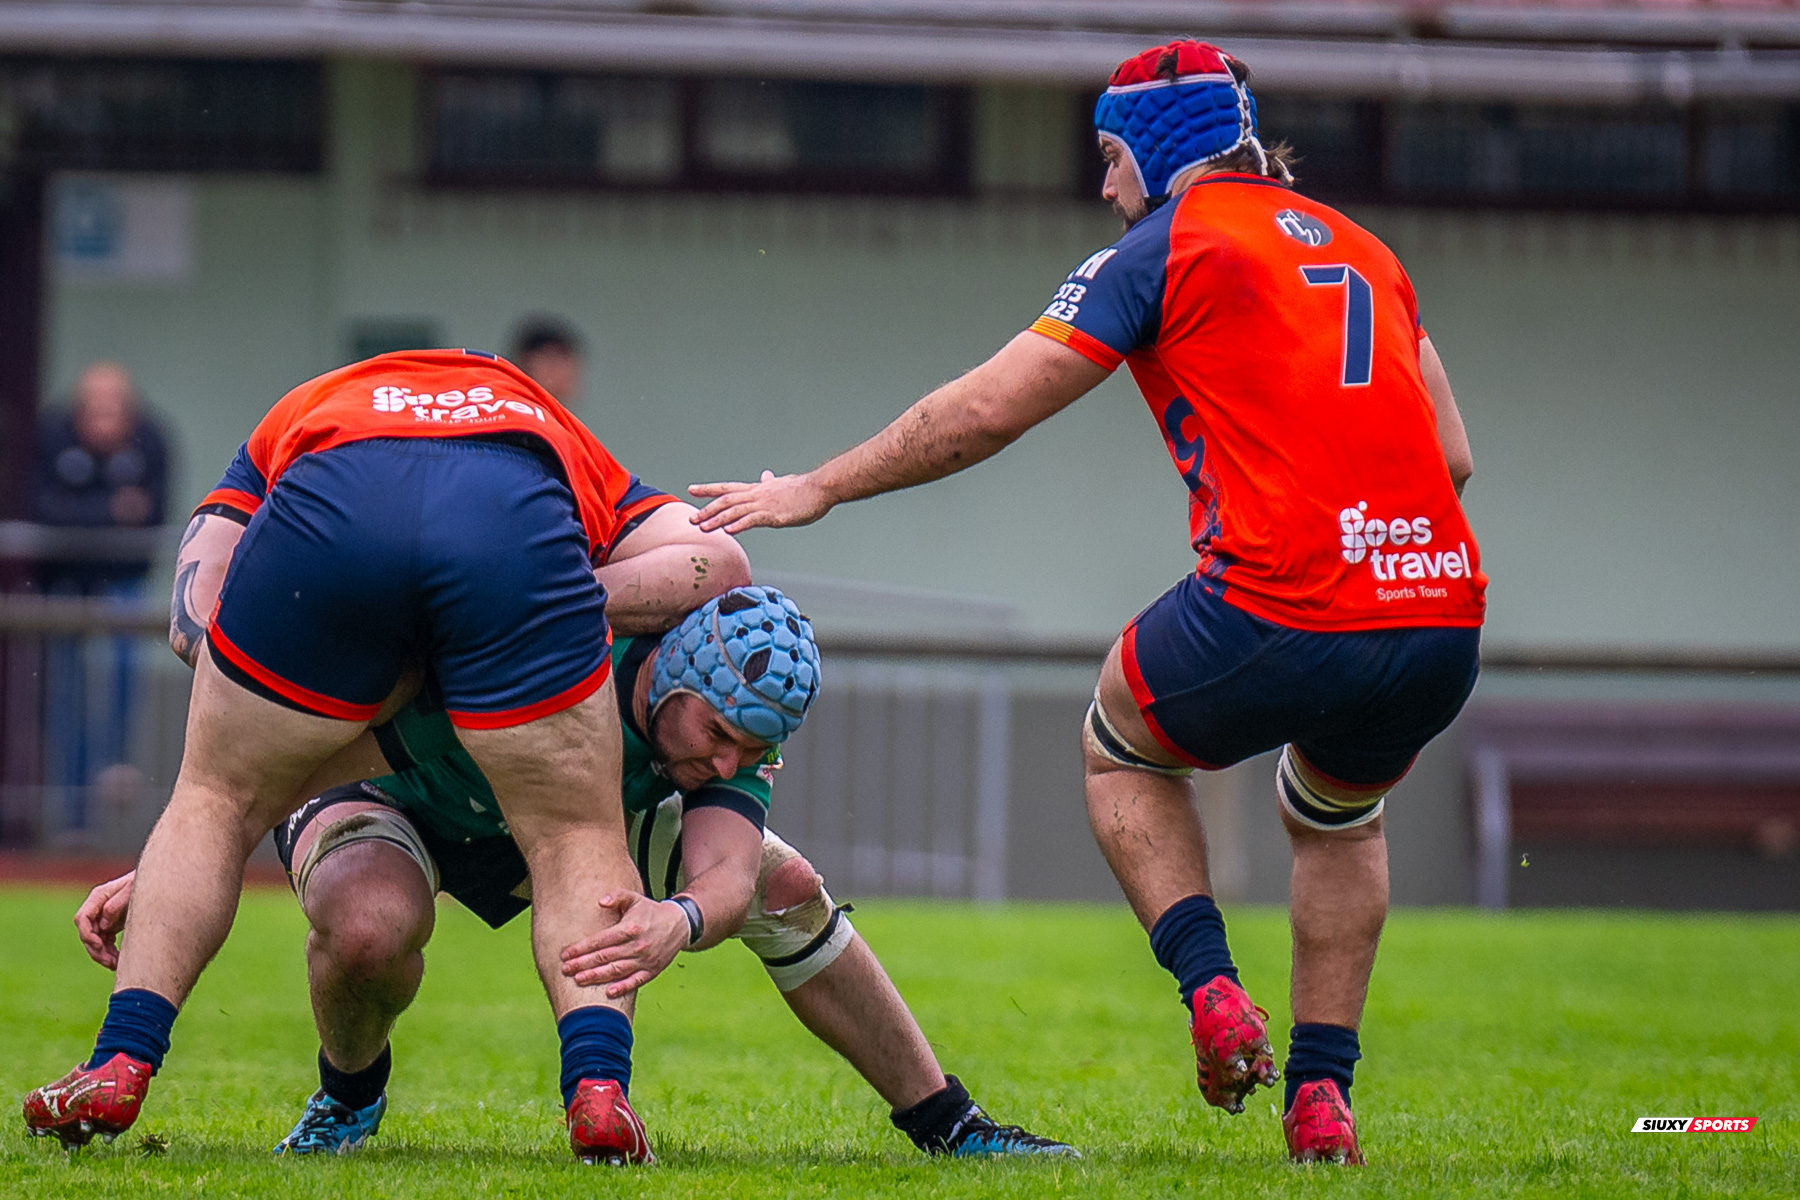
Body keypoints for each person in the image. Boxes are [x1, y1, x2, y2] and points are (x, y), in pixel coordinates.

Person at [690, 41, 1486, 1166]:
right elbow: (1450, 459)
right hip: (1438, 613)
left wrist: (817, 487)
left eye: (1113, 157)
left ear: (1158, 152)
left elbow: (987, 410)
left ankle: (1212, 994)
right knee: (1337, 816)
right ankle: (1321, 1101)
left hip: (1282, 598)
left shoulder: (1163, 246)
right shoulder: (1369, 252)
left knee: (1120, 749)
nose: (1107, 186)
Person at [25, 349, 749, 1164]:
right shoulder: (543, 423)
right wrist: (539, 609)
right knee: (576, 837)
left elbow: (194, 604)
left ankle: (120, 1060)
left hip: (334, 501)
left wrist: (269, 679)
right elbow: (720, 564)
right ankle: (597, 1091)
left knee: (214, 800)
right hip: (511, 517)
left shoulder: (302, 410)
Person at [74, 586, 1075, 1161]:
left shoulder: (727, 734)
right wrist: (177, 856)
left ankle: (950, 1122)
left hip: (557, 822)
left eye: (750, 751)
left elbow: (726, 868)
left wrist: (680, 919)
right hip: (392, 788)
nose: (726, 763)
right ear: (667, 677)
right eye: (718, 736)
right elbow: (316, 737)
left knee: (784, 886)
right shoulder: (552, 640)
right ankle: (349, 1093)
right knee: (369, 925)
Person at [32, 361, 171, 823]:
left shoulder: (151, 439)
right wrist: (109, 510)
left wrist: (83, 513)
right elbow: (43, 509)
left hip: (123, 584)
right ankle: (74, 815)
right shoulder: (53, 435)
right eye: (95, 405)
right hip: (66, 586)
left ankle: (116, 762)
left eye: (113, 405)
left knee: (123, 671)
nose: (104, 414)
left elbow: (153, 514)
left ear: (129, 409)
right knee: (66, 695)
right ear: (79, 408)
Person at [511, 317, 584, 407]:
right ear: (524, 364)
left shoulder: (563, 418)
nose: (561, 371)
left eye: (566, 362)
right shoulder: (512, 411)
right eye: (553, 362)